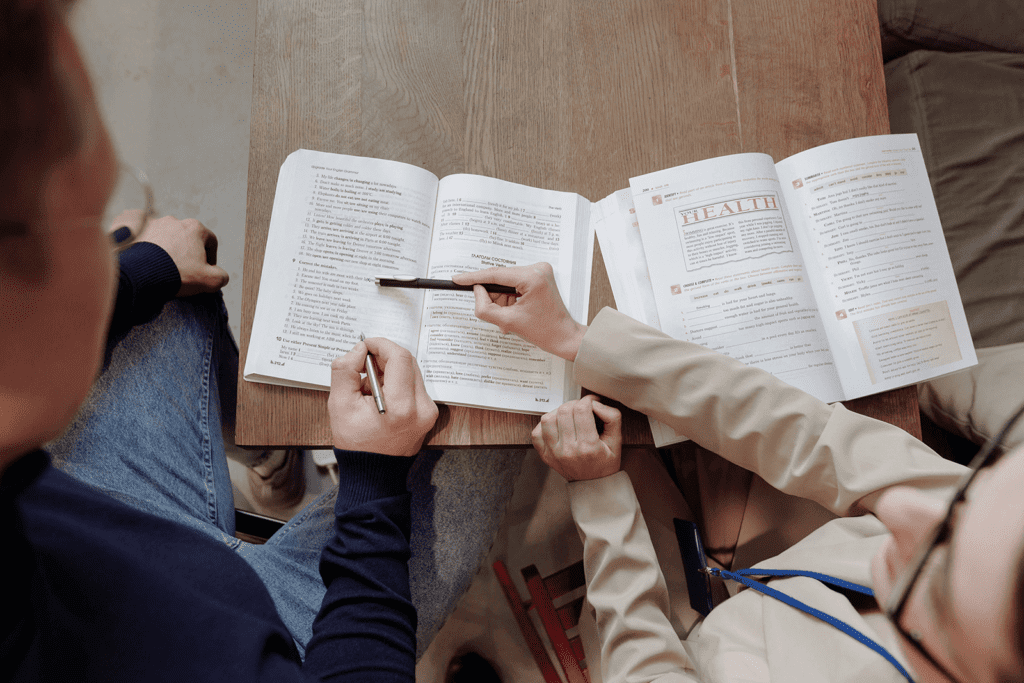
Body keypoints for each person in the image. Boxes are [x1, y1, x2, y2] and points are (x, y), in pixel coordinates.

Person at [0, 0, 465, 679]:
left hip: (118, 545)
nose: (118, 237)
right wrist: (371, 474)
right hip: (285, 647)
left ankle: (271, 461)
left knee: (172, 294)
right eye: (94, 222)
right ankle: (288, 468)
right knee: (471, 440)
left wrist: (147, 269)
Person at [452, 262, 1024, 683]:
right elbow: (811, 434)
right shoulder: (989, 543)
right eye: (968, 495)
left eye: (940, 564)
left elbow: (648, 672)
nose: (905, 505)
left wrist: (601, 498)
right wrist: (579, 339)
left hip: (681, 646)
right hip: (769, 562)